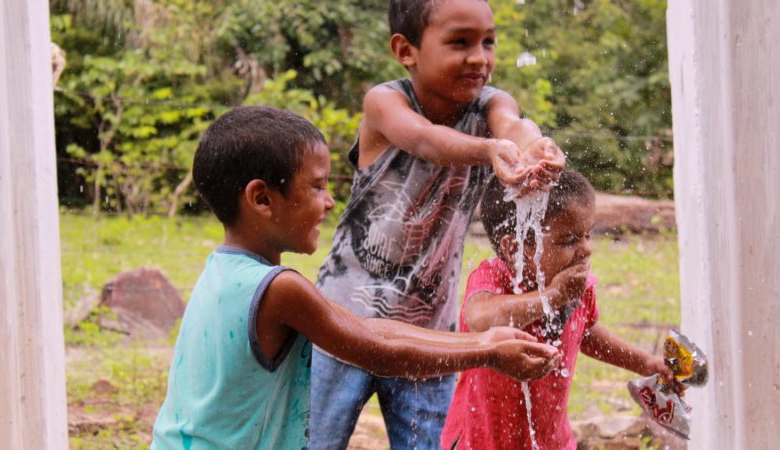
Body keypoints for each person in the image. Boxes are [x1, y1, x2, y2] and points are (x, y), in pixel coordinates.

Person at [149, 106, 560, 450]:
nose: (329, 202)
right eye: (317, 187)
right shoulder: (280, 288)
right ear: (261, 199)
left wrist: (486, 340)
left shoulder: (221, 271)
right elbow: (376, 348)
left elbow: (370, 328)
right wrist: (485, 351)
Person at [311, 0, 566, 448]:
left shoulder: (491, 105)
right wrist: (492, 150)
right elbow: (425, 139)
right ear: (405, 50)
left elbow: (514, 124)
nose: (479, 58)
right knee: (313, 440)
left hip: (431, 334)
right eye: (459, 42)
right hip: (344, 325)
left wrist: (535, 145)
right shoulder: (385, 103)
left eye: (488, 42)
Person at [440, 169, 673, 450]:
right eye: (568, 241)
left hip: (552, 441)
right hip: (482, 441)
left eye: (587, 235)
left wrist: (643, 363)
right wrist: (551, 296)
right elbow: (479, 319)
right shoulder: (494, 278)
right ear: (514, 248)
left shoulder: (577, 288)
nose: (586, 249)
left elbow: (586, 332)